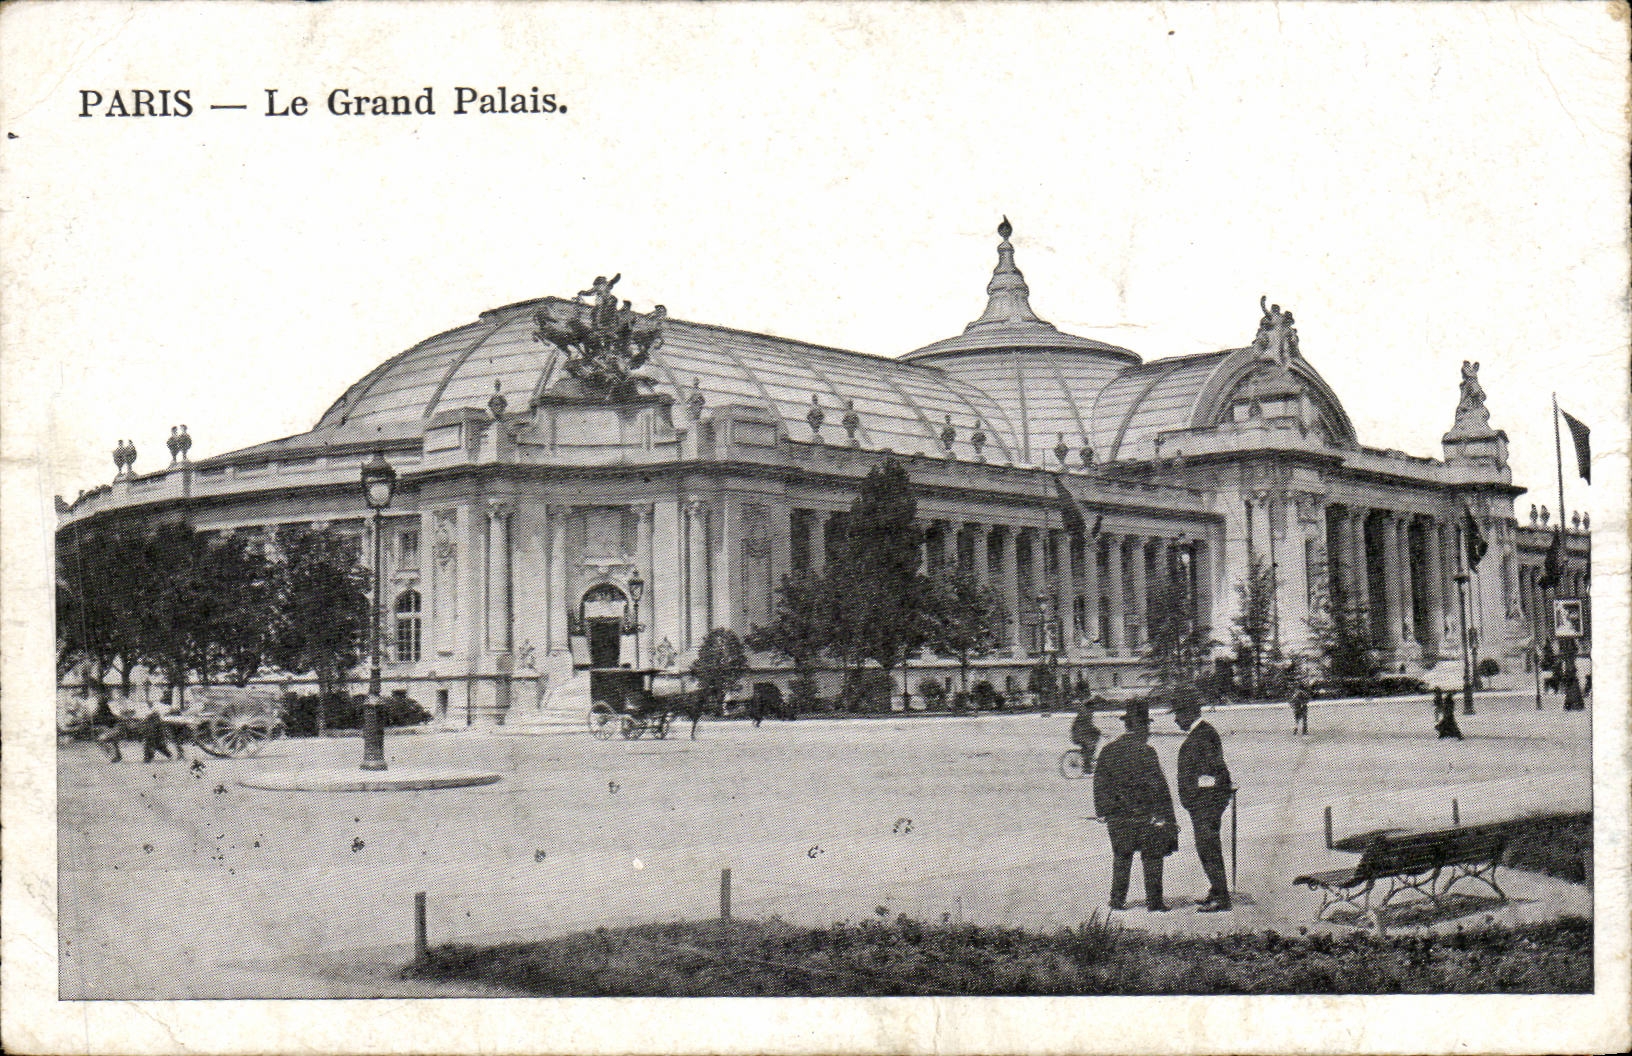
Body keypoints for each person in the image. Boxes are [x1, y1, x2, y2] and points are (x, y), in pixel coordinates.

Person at [1092, 706, 1177, 912]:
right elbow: (1158, 787)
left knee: (1122, 856)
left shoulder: (1108, 750)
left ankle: (1117, 900)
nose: (1148, 732)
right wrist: (1168, 818)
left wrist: (1104, 812)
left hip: (1118, 817)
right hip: (1145, 817)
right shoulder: (1146, 752)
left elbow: (1100, 784)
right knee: (1152, 857)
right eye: (1147, 726)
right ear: (1139, 727)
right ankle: (1154, 902)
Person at [1173, 696, 1234, 911]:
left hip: (1206, 804)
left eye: (1178, 714)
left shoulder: (1204, 735)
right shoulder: (1202, 733)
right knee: (1207, 847)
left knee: (1208, 848)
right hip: (1204, 803)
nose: (1176, 720)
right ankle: (1216, 890)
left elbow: (1214, 770)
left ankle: (1221, 897)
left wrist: (1198, 798)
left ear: (1190, 712)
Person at [1069, 701, 1103, 773]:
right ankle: (1087, 766)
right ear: (1090, 707)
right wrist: (1097, 731)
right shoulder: (1086, 714)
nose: (1094, 709)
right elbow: (1088, 725)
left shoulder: (1085, 712)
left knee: (1091, 743)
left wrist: (1096, 731)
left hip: (1079, 734)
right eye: (1093, 708)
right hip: (1079, 735)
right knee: (1090, 746)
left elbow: (1088, 726)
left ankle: (1087, 759)